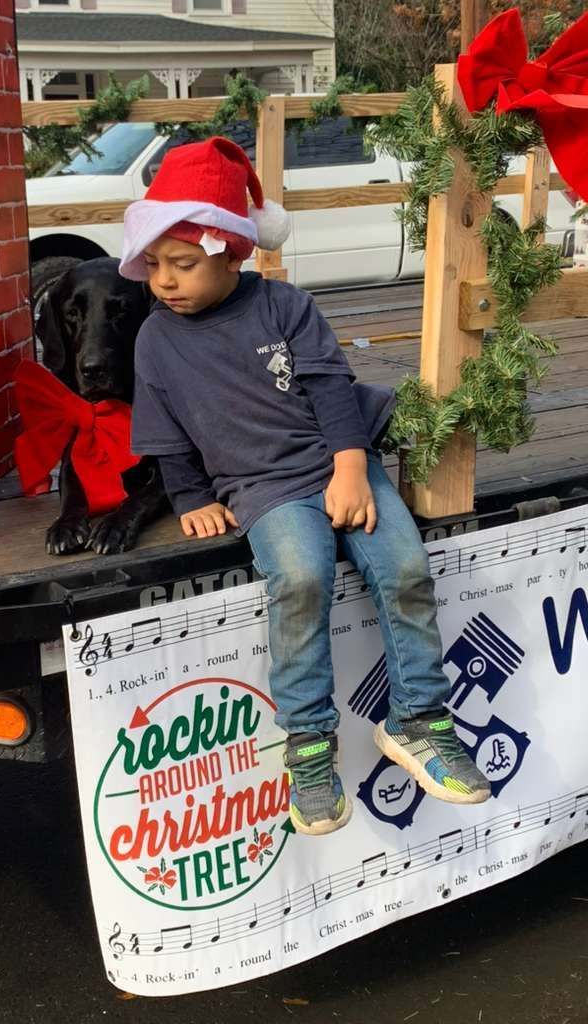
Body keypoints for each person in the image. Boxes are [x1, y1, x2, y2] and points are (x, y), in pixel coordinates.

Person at [119, 136, 491, 836]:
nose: (165, 281)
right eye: (155, 266)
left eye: (183, 264)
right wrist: (192, 499)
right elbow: (164, 433)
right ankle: (310, 745)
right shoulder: (155, 341)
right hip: (262, 487)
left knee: (407, 568)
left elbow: (329, 387)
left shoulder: (285, 307)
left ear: (233, 251)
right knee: (299, 579)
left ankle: (419, 717)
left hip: (338, 462)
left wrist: (351, 466)